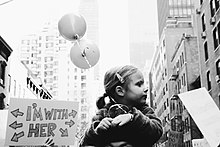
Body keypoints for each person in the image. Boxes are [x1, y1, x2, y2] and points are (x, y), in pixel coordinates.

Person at [79, 65, 163, 147]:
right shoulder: (102, 114)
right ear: (120, 91)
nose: (146, 88)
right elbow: (85, 143)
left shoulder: (144, 111)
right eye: (139, 84)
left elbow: (157, 131)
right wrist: (97, 130)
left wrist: (133, 118)